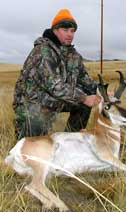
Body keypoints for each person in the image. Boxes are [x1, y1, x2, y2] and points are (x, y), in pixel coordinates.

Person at [13, 8, 101, 140]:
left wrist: (102, 92)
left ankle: (70, 141)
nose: (70, 34)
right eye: (65, 30)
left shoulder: (74, 56)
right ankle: (23, 136)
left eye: (72, 31)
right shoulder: (43, 51)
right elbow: (55, 86)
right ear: (54, 30)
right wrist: (84, 98)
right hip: (32, 105)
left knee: (83, 104)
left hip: (54, 101)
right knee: (32, 147)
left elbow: (86, 81)